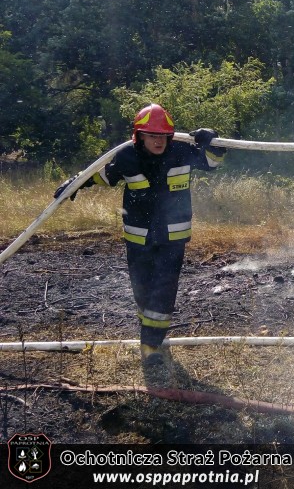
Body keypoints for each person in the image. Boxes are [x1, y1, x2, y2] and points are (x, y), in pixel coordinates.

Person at [53, 104, 226, 380]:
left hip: (173, 237)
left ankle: (151, 346)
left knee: (163, 290)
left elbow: (212, 162)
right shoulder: (126, 156)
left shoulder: (182, 151)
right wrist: (75, 183)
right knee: (142, 289)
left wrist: (212, 141)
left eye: (163, 135)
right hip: (138, 238)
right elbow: (103, 175)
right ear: (139, 135)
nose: (158, 140)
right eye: (151, 135)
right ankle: (151, 332)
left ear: (170, 136)